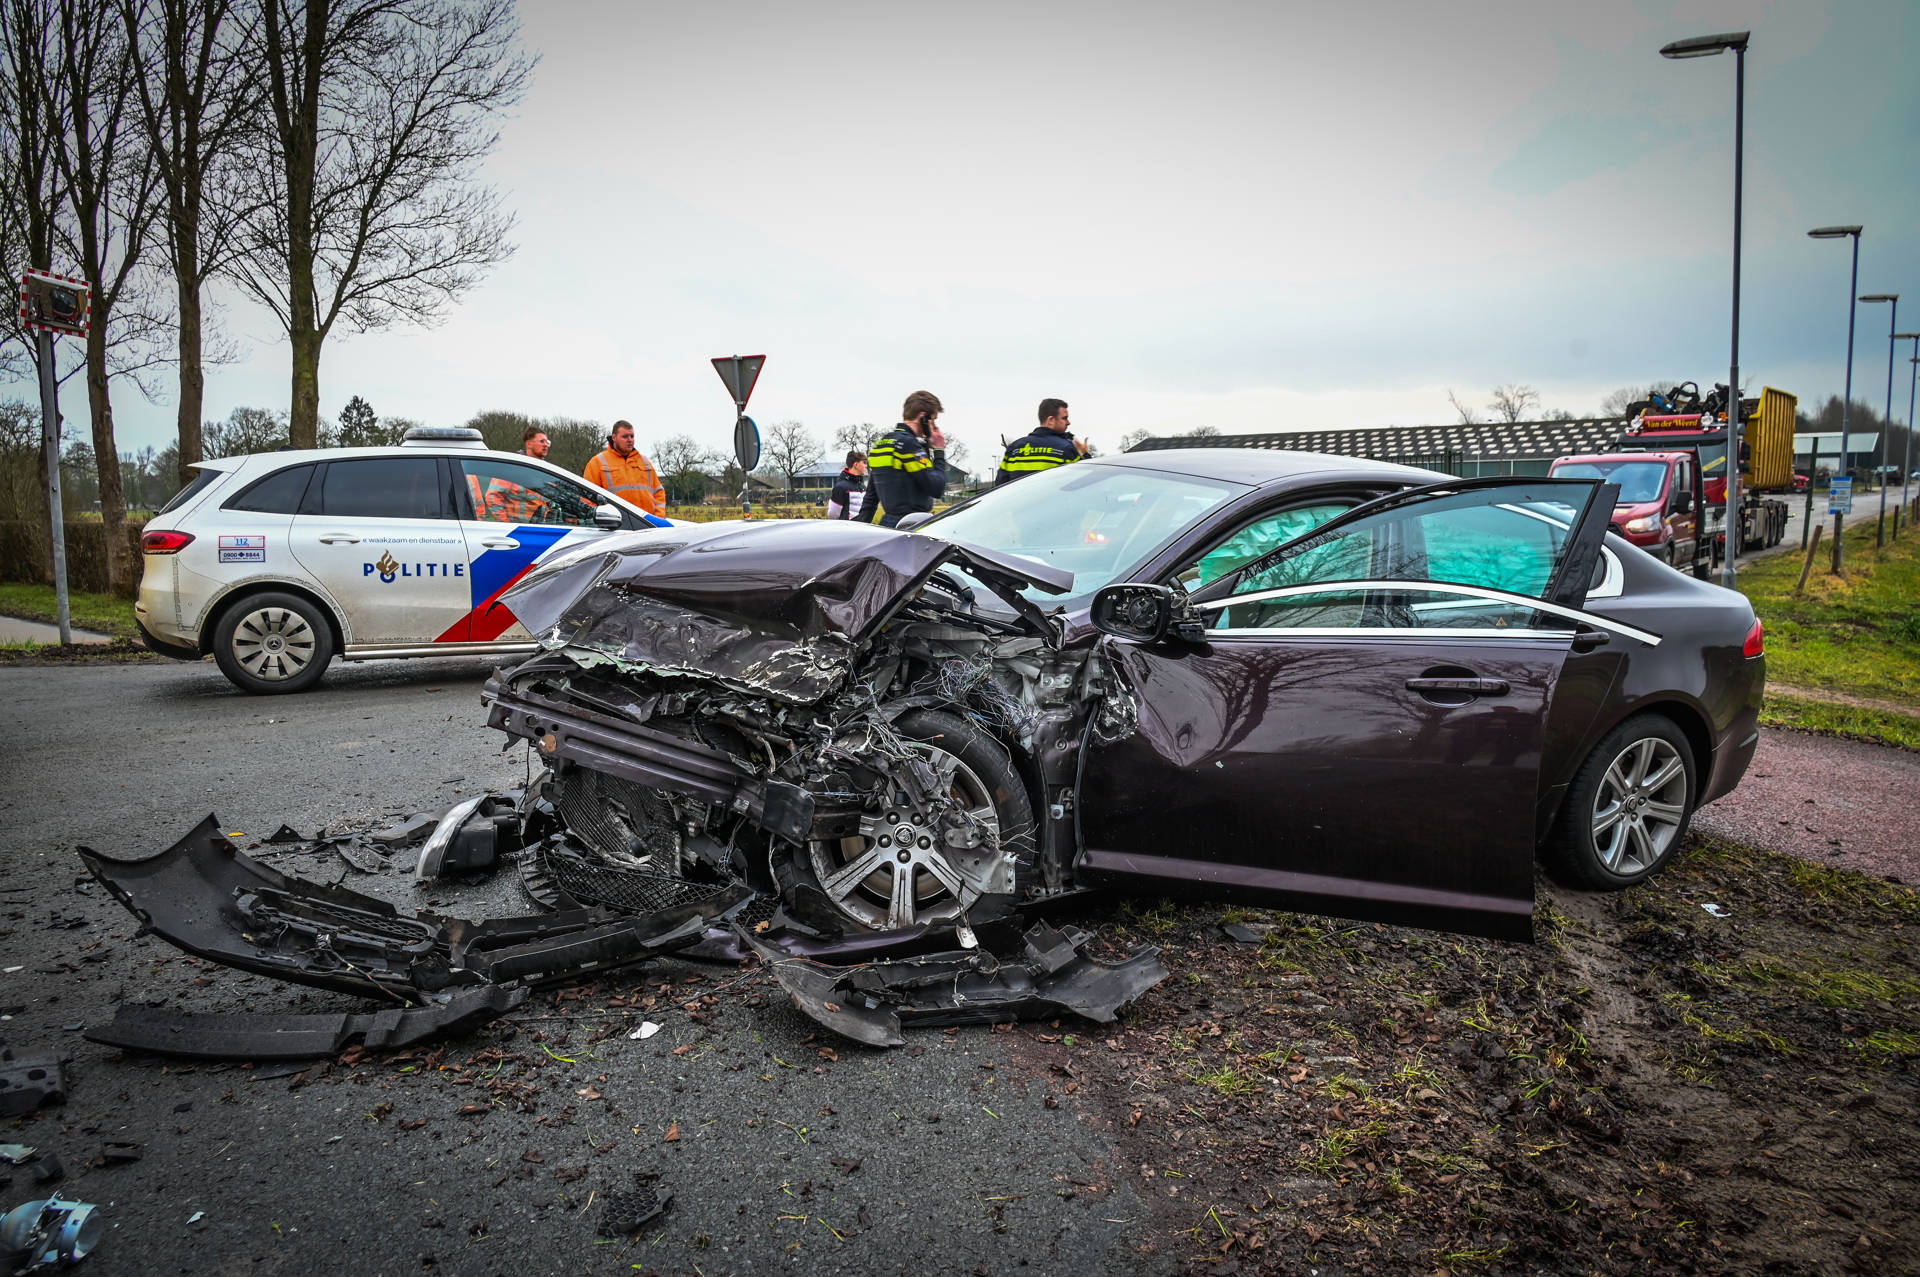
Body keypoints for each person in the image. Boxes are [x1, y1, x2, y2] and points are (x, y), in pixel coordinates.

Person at [868, 392, 949, 528]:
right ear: (923, 417)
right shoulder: (909, 445)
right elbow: (936, 487)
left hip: (888, 524)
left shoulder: (881, 444)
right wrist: (939, 450)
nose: (934, 427)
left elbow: (870, 497)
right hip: (911, 524)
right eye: (933, 420)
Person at [995, 398, 1087, 486]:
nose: (1068, 422)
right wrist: (1085, 454)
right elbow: (1085, 483)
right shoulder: (1066, 449)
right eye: (1064, 418)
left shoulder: (1014, 449)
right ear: (1051, 420)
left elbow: (1000, 484)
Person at [581, 419, 665, 516]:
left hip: (648, 524)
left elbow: (659, 491)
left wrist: (659, 518)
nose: (630, 440)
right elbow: (588, 497)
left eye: (632, 436)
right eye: (625, 436)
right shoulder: (597, 462)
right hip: (615, 526)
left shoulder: (645, 461)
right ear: (614, 437)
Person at [826, 451, 878, 522]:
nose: (866, 466)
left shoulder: (863, 486)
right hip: (847, 530)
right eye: (864, 463)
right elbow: (832, 514)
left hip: (862, 528)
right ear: (856, 464)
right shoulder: (840, 487)